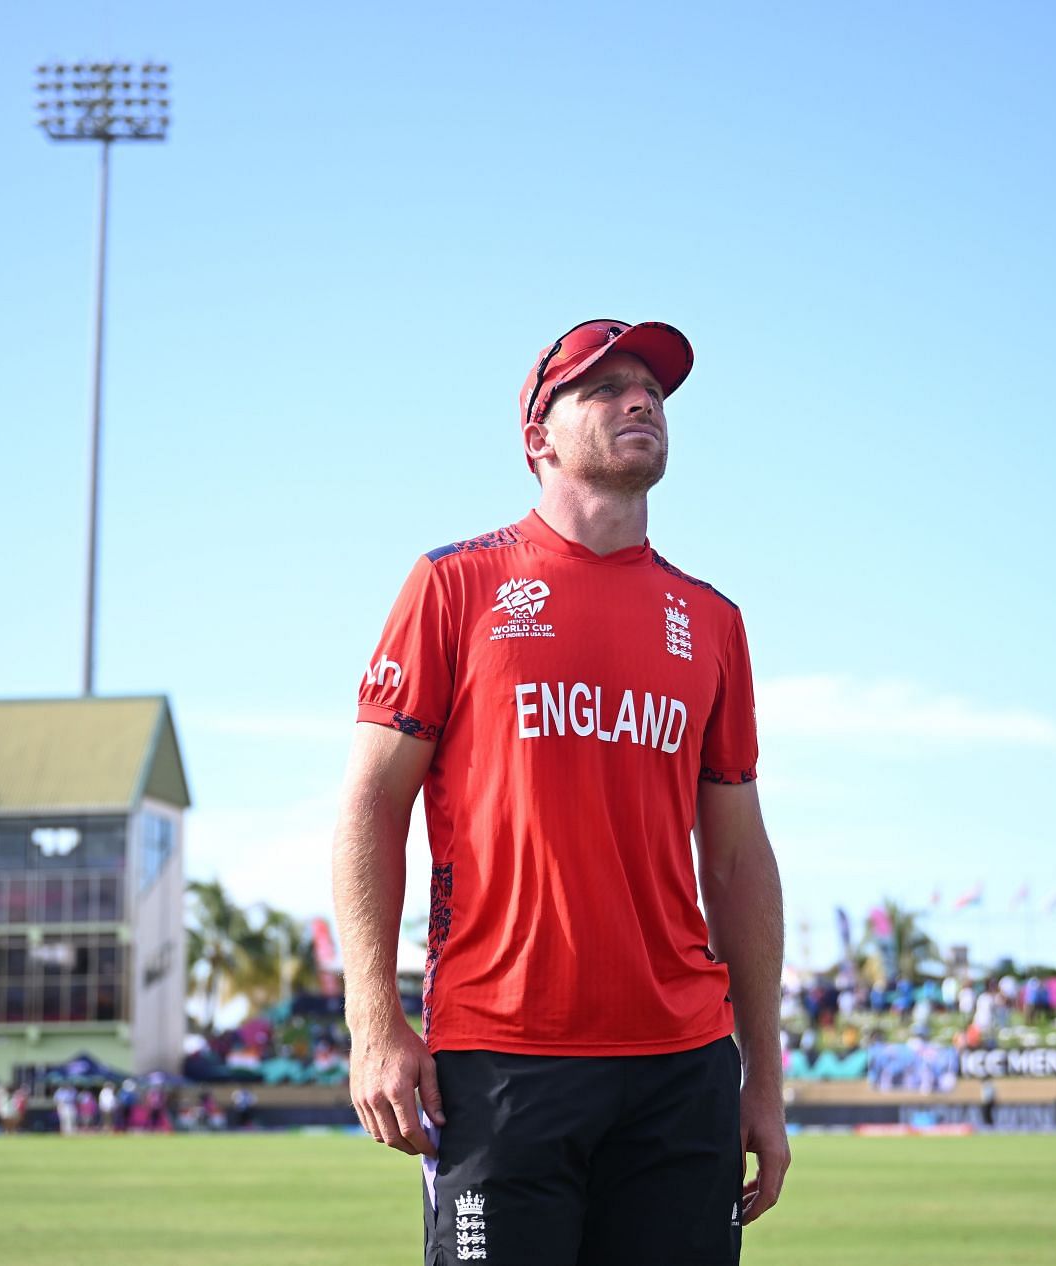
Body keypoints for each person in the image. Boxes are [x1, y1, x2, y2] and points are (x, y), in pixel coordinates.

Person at [333, 318, 787, 1266]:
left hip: (683, 1068)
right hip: (502, 1058)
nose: (641, 401)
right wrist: (374, 1017)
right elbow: (371, 805)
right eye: (604, 387)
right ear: (537, 438)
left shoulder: (711, 621)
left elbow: (739, 858)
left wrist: (764, 1078)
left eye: (653, 390)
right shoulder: (455, 585)